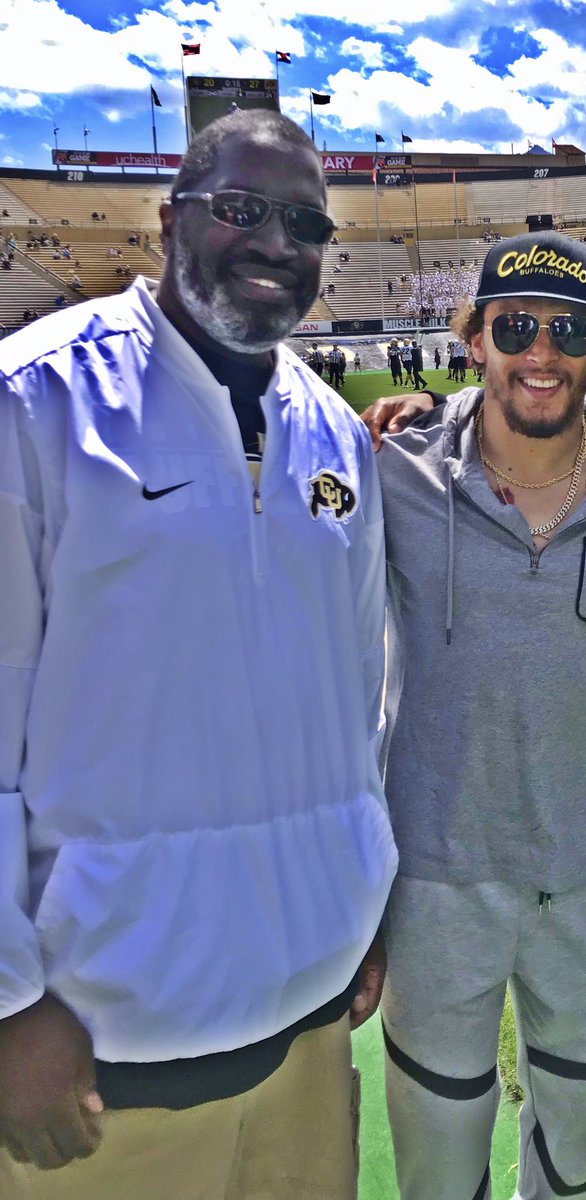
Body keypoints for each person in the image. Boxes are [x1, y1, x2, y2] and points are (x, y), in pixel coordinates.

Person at [0, 109, 397, 1200]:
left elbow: (360, 697)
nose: (274, 242)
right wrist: (8, 1002)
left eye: (305, 224)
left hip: (308, 1016)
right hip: (104, 1044)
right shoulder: (36, 399)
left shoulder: (333, 432)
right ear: (171, 219)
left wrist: (361, 898)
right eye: (241, 209)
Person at [372, 232, 586, 1199]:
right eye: (515, 327)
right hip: (433, 878)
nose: (541, 352)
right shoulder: (393, 468)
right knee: (438, 1175)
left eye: (569, 329)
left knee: (570, 1169)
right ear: (473, 337)